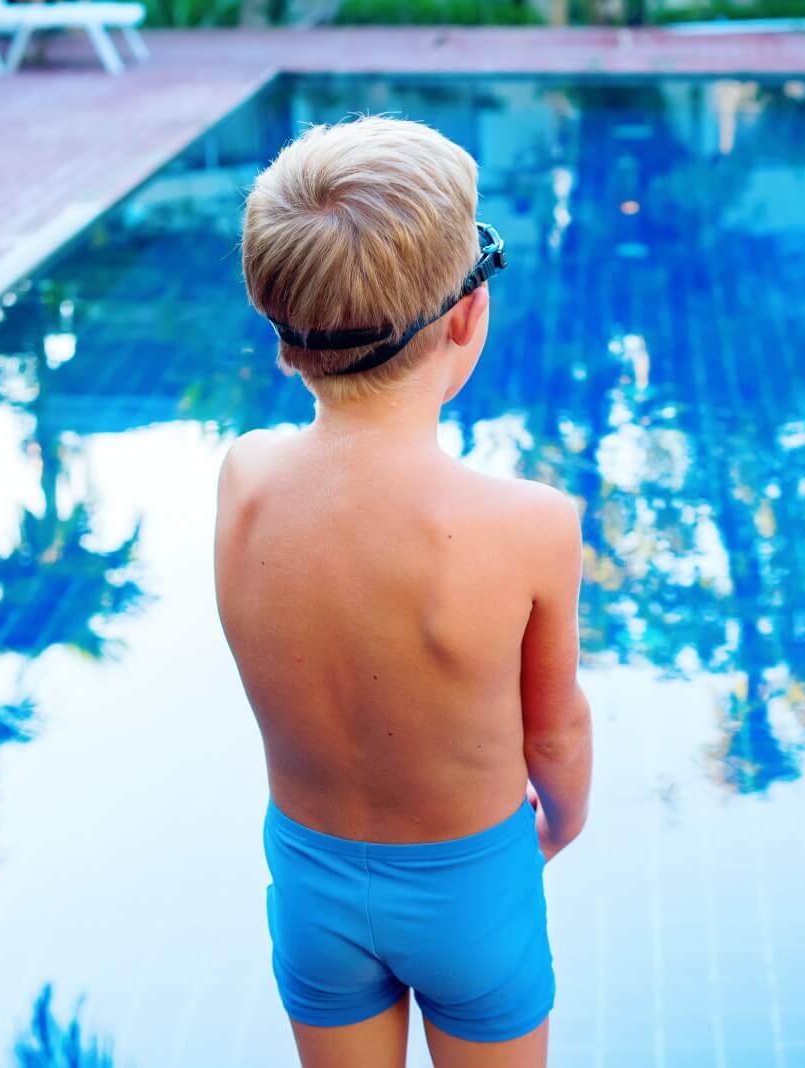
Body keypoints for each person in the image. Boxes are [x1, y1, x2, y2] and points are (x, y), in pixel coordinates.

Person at [214, 115, 592, 1068]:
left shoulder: (243, 477)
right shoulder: (530, 524)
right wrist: (565, 816)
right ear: (467, 317)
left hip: (310, 877)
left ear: (283, 338)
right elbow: (553, 732)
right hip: (472, 883)